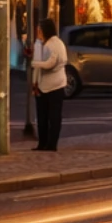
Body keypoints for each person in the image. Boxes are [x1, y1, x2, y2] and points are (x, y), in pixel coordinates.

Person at [29, 19, 67, 151]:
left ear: (45, 31)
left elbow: (50, 64)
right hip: (45, 85)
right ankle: (44, 143)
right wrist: (35, 83)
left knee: (51, 116)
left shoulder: (53, 45)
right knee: (44, 116)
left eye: (39, 30)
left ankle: (50, 144)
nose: (38, 32)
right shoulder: (44, 44)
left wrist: (34, 63)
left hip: (52, 85)